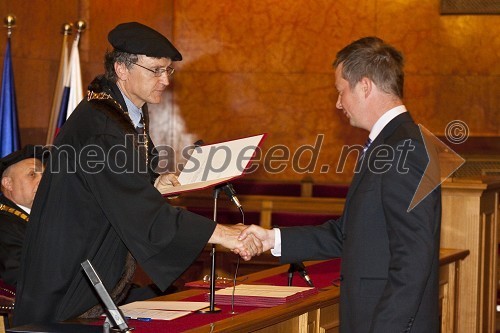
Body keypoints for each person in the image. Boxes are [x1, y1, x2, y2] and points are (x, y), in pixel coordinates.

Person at [13, 22, 261, 325]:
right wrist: (224, 234)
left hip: (87, 267)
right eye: (156, 70)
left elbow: (120, 182)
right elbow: (139, 210)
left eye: (168, 71)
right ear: (122, 68)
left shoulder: (121, 111)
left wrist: (154, 181)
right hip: (67, 283)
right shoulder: (100, 128)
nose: (165, 80)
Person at [240, 37, 441, 333]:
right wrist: (272, 239)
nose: (338, 103)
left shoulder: (404, 147)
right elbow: (347, 234)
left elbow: (413, 258)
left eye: (340, 91)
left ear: (364, 86)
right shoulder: (390, 143)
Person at [0, 145, 44, 287]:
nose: (43, 181)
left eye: (45, 175)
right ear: (8, 183)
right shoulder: (4, 225)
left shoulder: (47, 215)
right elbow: (19, 277)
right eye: (32, 174)